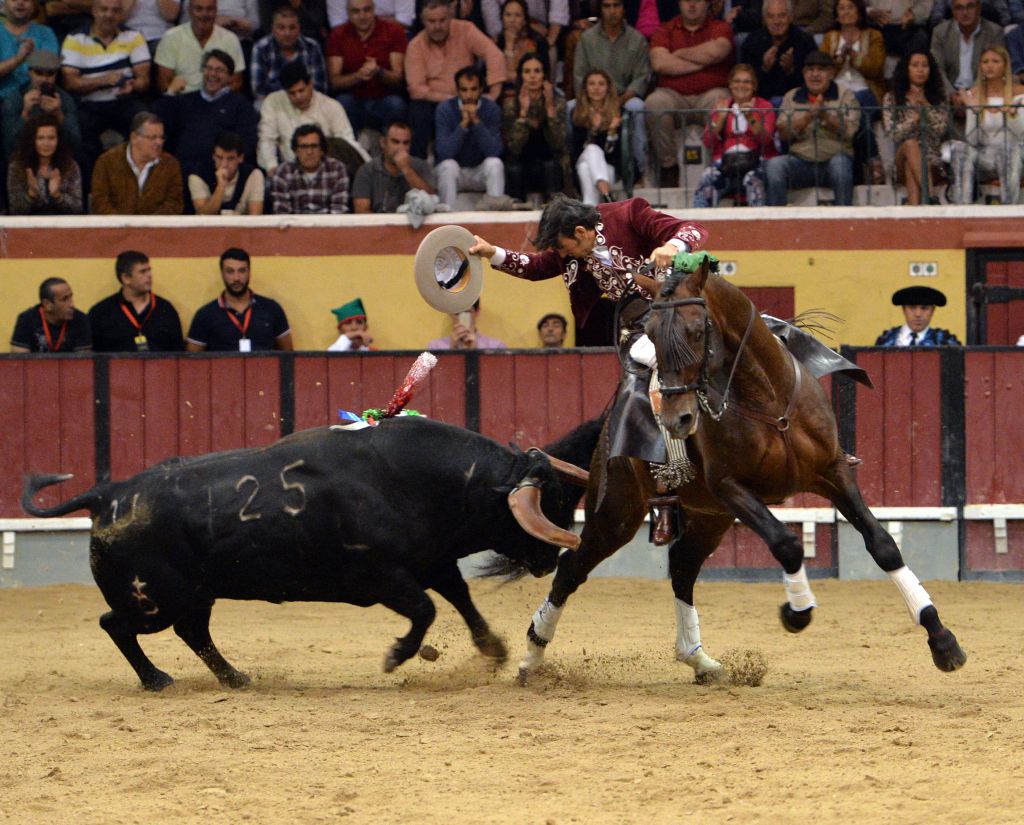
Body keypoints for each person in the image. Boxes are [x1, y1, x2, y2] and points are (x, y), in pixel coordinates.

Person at [467, 194, 707, 346]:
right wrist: (492, 252)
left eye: (562, 247)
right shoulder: (570, 251)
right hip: (636, 324)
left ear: (581, 232)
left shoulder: (627, 214)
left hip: (677, 309)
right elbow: (535, 266)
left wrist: (673, 246)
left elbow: (692, 228)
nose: (561, 255)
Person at [644, 0, 735, 188]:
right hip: (673, 95)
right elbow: (660, 63)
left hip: (710, 94)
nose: (692, 5)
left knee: (722, 101)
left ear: (707, 4)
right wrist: (704, 60)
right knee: (655, 102)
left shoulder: (720, 27)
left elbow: (718, 51)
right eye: (687, 0)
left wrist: (677, 54)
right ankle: (668, 167)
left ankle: (721, 168)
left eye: (698, 0)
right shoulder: (665, 30)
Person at [405, 0, 507, 158]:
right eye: (432, 21)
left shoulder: (466, 29)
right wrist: (450, 99)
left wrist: (494, 93)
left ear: (450, 17)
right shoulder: (415, 46)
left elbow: (495, 55)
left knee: (494, 106)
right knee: (417, 110)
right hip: (436, 101)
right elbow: (416, 89)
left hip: (470, 95)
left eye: (442, 20)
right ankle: (419, 166)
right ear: (423, 21)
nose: (437, 26)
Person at [60, 0, 150, 167]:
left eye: (115, 11)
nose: (109, 15)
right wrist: (102, 80)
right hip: (89, 104)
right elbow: (70, 83)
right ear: (94, 10)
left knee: (146, 122)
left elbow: (144, 79)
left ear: (121, 14)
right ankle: (91, 184)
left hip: (124, 101)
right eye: (104, 9)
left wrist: (133, 85)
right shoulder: (75, 39)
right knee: (79, 131)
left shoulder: (134, 36)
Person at [766, 49, 860, 205]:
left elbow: (849, 131)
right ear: (803, 73)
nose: (815, 75)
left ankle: (843, 220)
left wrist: (824, 115)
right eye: (810, 70)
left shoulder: (845, 96)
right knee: (775, 165)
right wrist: (807, 117)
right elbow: (782, 134)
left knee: (841, 165)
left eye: (821, 70)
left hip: (833, 161)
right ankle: (776, 223)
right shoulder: (792, 96)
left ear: (831, 73)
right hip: (800, 163)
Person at [572, 0, 650, 179]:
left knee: (637, 107)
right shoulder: (587, 38)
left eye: (616, 5)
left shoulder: (636, 39)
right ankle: (572, 167)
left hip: (625, 97)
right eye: (607, 6)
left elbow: (641, 78)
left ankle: (638, 171)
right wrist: (591, 101)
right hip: (592, 96)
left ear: (624, 8)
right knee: (570, 108)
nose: (612, 11)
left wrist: (616, 101)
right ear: (600, 9)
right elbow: (579, 77)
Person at [157, 49, 258, 179]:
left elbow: (247, 143)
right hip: (182, 171)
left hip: (220, 173)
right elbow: (158, 123)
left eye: (219, 70)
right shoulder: (184, 101)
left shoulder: (241, 105)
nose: (212, 74)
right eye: (208, 68)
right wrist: (170, 93)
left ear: (230, 77)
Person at [693, 62, 776, 207]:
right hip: (726, 163)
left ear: (754, 86)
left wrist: (750, 117)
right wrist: (720, 120)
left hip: (757, 160)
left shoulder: (764, 106)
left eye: (747, 82)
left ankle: (759, 226)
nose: (741, 86)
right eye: (737, 81)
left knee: (754, 181)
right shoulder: (721, 106)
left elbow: (766, 140)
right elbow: (708, 142)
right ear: (730, 85)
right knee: (708, 177)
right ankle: (699, 225)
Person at [949, 46, 1024, 204]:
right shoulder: (973, 95)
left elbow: (1020, 134)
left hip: (1015, 153)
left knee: (1009, 149)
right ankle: (963, 210)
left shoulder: (1019, 93)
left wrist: (1012, 115)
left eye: (995, 61)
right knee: (959, 148)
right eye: (985, 62)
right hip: (985, 155)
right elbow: (972, 139)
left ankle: (1009, 210)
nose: (989, 66)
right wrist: (974, 111)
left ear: (1005, 66)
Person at [257, 59, 358, 175]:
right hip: (290, 172)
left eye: (301, 90)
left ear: (310, 84)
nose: (298, 97)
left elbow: (346, 143)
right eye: (292, 93)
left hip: (326, 172)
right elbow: (266, 139)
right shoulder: (273, 102)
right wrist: (271, 167)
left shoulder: (331, 106)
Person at [821, 0, 884, 183]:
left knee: (858, 108)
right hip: (838, 94)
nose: (846, 12)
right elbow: (821, 69)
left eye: (850, 7)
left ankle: (857, 171)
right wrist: (838, 61)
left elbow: (876, 68)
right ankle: (872, 163)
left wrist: (856, 58)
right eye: (841, 8)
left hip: (866, 91)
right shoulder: (829, 37)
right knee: (860, 121)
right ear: (836, 14)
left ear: (859, 12)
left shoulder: (874, 36)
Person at [186, 247, 294, 352]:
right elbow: (192, 363)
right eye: (230, 271)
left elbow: (288, 355)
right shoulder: (205, 315)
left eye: (242, 271)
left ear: (249, 272)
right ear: (222, 274)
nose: (236, 278)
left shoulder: (272, 309)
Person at [325, 0, 408, 135]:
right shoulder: (338, 35)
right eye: (356, 11)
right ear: (348, 13)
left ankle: (393, 153)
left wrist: (378, 72)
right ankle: (349, 153)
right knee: (342, 102)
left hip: (384, 99)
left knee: (396, 105)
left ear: (374, 9)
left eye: (367, 10)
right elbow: (334, 81)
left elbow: (398, 78)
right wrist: (358, 76)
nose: (362, 16)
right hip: (354, 99)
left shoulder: (393, 31)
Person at [502, 51, 573, 202]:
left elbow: (559, 144)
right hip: (521, 160)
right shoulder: (510, 104)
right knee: (514, 169)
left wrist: (549, 109)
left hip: (551, 158)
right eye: (527, 71)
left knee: (552, 166)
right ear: (521, 76)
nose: (532, 76)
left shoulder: (557, 101)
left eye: (537, 71)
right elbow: (513, 148)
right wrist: (523, 113)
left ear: (544, 75)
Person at [882, 50, 950, 205]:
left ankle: (917, 212)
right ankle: (932, 197)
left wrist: (927, 108)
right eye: (915, 65)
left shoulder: (938, 98)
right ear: (907, 69)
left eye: (925, 66)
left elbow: (941, 130)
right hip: (901, 155)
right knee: (910, 144)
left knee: (911, 166)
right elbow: (893, 134)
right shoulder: (892, 98)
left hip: (932, 159)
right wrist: (913, 120)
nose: (920, 70)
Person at [434, 65, 505, 209]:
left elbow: (494, 150)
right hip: (457, 171)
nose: (469, 95)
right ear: (457, 90)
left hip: (479, 171)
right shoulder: (445, 109)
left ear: (480, 89)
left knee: (495, 163)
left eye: (473, 89)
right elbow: (445, 152)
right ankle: (448, 219)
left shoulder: (491, 109)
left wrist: (476, 122)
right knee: (448, 166)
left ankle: (496, 215)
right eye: (464, 90)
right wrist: (464, 124)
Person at [87, 250, 184, 352]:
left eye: (149, 270)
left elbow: (178, 355)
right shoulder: (101, 312)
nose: (149, 275)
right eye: (142, 272)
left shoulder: (166, 309)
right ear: (126, 278)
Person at [90, 110, 184, 214]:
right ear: (134, 137)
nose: (159, 143)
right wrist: (124, 226)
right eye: (152, 137)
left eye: (161, 137)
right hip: (116, 228)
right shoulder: (106, 162)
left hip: (155, 228)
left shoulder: (170, 164)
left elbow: (174, 204)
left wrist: (147, 226)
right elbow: (100, 203)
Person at [1, 48, 81, 165]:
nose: (44, 79)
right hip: (24, 158)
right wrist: (25, 113)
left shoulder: (64, 99)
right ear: (30, 72)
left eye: (50, 74)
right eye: (39, 73)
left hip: (56, 158)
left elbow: (76, 144)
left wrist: (58, 114)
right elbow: (9, 145)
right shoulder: (15, 98)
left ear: (56, 74)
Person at [155, 0, 246, 95]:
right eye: (199, 9)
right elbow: (164, 82)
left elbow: (236, 82)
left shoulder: (230, 39)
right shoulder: (171, 37)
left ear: (216, 11)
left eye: (210, 9)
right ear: (189, 11)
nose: (204, 14)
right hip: (182, 100)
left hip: (218, 100)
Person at [740, 0, 817, 104]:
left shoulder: (805, 41)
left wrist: (791, 70)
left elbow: (813, 82)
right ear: (765, 19)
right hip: (760, 104)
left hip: (796, 103)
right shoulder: (752, 42)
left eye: (781, 16)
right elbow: (745, 83)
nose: (776, 22)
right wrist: (764, 68)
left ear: (790, 17)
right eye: (771, 16)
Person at [250, 5, 327, 106]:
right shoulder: (261, 48)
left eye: (292, 27)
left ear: (299, 28)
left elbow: (320, 87)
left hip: (308, 103)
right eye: (281, 28)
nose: (287, 33)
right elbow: (259, 89)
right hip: (274, 103)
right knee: (258, 106)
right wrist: (296, 91)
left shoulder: (312, 46)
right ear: (273, 29)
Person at [929, 0, 1004, 104]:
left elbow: (994, 69)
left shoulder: (994, 32)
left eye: (970, 6)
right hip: (950, 92)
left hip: (981, 92)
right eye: (959, 8)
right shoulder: (940, 32)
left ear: (979, 8)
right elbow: (937, 68)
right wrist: (952, 94)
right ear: (953, 12)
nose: (965, 12)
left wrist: (970, 95)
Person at [6, 112, 83, 213]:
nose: (46, 143)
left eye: (51, 138)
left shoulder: (70, 166)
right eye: (40, 138)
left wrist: (58, 196)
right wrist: (31, 194)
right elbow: (15, 210)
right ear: (31, 140)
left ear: (58, 140)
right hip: (29, 226)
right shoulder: (17, 167)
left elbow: (78, 209)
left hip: (61, 225)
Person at [352, 120, 436, 211]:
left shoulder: (420, 166)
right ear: (383, 142)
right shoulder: (367, 170)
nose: (401, 148)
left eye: (406, 143)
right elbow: (362, 211)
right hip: (379, 222)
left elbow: (432, 201)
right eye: (395, 142)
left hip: (413, 223)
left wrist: (406, 169)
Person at [271, 122, 351, 213]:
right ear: (296, 151)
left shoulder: (337, 169)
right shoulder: (283, 172)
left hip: (328, 225)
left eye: (314, 146)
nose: (309, 152)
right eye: (304, 147)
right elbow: (282, 214)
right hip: (294, 225)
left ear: (322, 150)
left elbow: (339, 211)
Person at [571, 68, 622, 205]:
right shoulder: (576, 113)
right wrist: (593, 129)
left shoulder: (617, 113)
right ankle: (607, 196)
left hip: (607, 167)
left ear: (607, 88)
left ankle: (590, 207)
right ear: (585, 88)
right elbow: (577, 149)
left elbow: (613, 154)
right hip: (583, 158)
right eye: (592, 84)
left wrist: (612, 131)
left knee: (585, 169)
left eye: (601, 84)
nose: (596, 88)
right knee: (592, 150)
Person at [189, 129, 265, 214]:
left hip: (241, 226)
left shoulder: (253, 175)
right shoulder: (198, 176)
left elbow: (256, 219)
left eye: (230, 158)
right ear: (213, 156)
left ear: (240, 158)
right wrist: (221, 187)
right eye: (219, 157)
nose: (224, 164)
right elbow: (202, 215)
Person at [11, 277, 91, 353]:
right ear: (47, 304)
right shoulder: (27, 319)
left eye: (71, 297)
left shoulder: (80, 319)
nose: (72, 305)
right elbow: (20, 362)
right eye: (64, 299)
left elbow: (83, 362)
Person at [0, 0, 60, 98]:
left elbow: (48, 72)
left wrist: (34, 56)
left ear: (34, 5)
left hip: (38, 98)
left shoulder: (45, 33)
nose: (20, 2)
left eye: (26, 0)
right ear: (3, 3)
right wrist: (18, 59)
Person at [492, 0, 548, 103]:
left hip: (534, 90)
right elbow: (493, 76)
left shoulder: (538, 41)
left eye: (517, 15)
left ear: (525, 20)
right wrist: (509, 46)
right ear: (502, 19)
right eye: (508, 15)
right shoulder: (496, 43)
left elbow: (544, 74)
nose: (512, 20)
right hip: (503, 93)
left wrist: (511, 76)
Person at [874, 285, 962, 346]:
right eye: (912, 308)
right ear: (904, 310)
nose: (918, 314)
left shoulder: (945, 341)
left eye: (924, 308)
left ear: (932, 311)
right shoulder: (886, 339)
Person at [426, 300, 507, 349]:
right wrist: (451, 352)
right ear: (450, 313)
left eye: (467, 312)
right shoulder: (435, 347)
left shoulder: (496, 347)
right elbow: (434, 376)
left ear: (477, 312)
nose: (462, 317)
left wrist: (475, 353)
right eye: (457, 313)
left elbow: (498, 376)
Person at [865, 0, 931, 59]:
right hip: (874, 25)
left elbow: (924, 4)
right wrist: (869, 12)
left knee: (920, 37)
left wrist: (913, 14)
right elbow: (857, 4)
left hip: (907, 27)